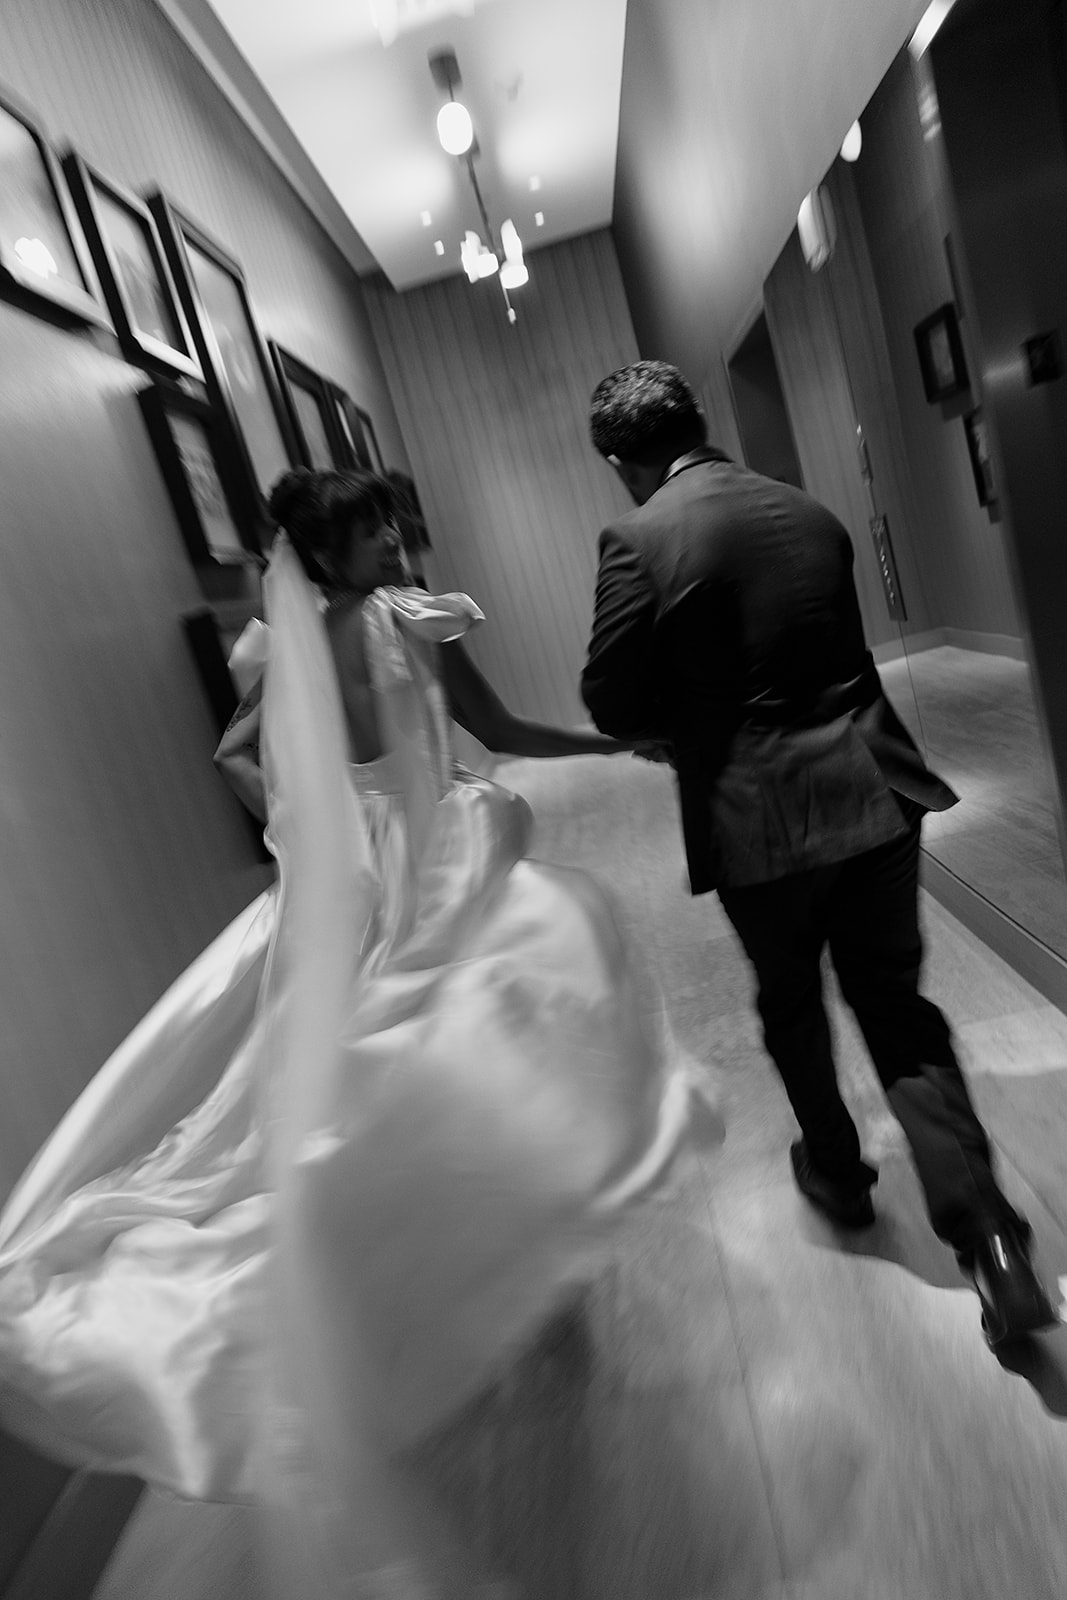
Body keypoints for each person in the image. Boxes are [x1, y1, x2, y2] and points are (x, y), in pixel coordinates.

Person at [0, 466, 705, 1595]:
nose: (389, 540)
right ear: (318, 556)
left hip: (372, 869)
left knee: (435, 1053)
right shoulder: (394, 625)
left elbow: (247, 755)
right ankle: (486, 1266)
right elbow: (489, 728)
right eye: (365, 531)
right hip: (417, 868)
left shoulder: (322, 641)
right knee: (470, 1033)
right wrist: (604, 749)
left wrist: (313, 829)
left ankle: (494, 1260)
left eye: (388, 522)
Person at [580, 359, 1056, 1349]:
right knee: (895, 1006)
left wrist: (680, 721)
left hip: (756, 816)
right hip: (873, 791)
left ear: (624, 462)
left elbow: (613, 700)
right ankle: (994, 1246)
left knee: (790, 1001)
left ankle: (838, 1176)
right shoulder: (806, 510)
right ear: (698, 421)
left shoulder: (636, 536)